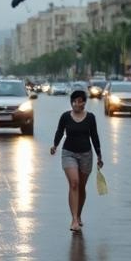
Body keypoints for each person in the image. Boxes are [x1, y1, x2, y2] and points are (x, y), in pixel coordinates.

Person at [50, 90, 103, 232]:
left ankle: (78, 215)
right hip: (69, 153)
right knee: (74, 183)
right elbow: (60, 132)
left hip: (86, 155)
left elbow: (95, 136)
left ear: (84, 103)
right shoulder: (65, 117)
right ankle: (73, 219)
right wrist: (55, 145)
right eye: (74, 101)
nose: (76, 104)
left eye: (79, 101)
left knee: (81, 187)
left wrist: (99, 155)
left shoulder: (90, 118)